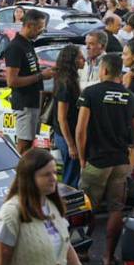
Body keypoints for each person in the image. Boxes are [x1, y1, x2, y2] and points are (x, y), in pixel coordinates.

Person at [76, 52, 134, 265]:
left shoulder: (90, 93)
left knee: (87, 208)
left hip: (96, 161)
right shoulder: (130, 97)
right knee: (116, 208)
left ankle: (84, 251)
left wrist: (81, 159)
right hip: (120, 161)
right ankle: (108, 256)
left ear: (104, 70)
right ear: (119, 72)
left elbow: (80, 131)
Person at [5, 9, 54, 153]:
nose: (41, 31)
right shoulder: (15, 47)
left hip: (33, 101)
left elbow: (30, 70)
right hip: (24, 103)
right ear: (29, 26)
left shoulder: (28, 43)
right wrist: (41, 76)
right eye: (39, 27)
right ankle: (20, 173)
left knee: (29, 142)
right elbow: (11, 81)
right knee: (24, 144)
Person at [50, 45, 84, 187]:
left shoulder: (69, 79)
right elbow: (62, 118)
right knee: (70, 176)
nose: (84, 60)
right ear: (73, 60)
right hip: (66, 136)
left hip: (67, 135)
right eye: (80, 57)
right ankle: (67, 203)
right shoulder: (66, 84)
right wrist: (71, 145)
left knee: (73, 172)